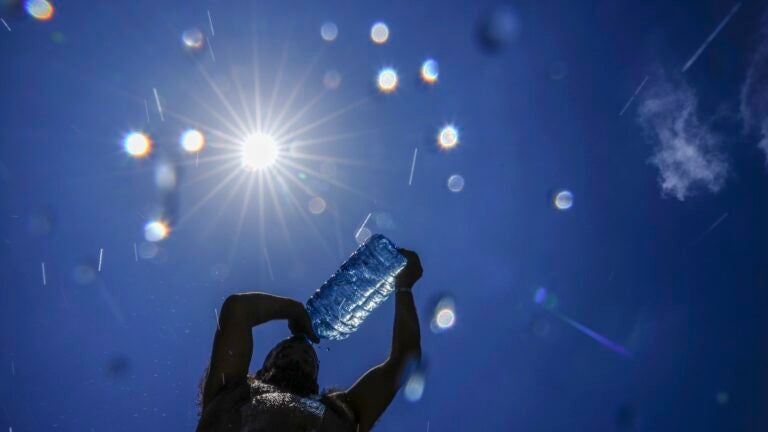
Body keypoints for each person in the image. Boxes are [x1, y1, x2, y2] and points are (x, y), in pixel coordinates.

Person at [196, 248, 423, 432]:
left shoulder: (342, 409)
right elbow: (238, 309)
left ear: (316, 381)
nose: (296, 355)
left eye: (305, 358)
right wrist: (293, 310)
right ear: (261, 371)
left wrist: (404, 287)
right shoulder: (229, 388)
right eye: (283, 353)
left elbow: (405, 359)